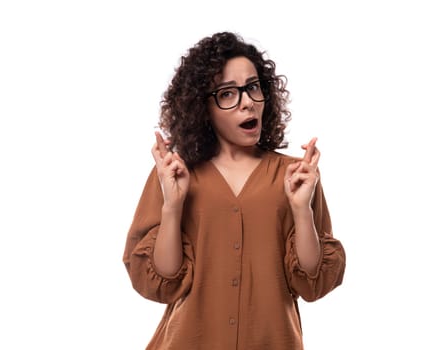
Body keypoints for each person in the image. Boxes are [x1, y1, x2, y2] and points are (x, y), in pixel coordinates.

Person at [123, 31, 346, 350]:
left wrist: (301, 210)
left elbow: (313, 282)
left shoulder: (296, 175)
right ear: (203, 107)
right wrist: (173, 206)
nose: (246, 103)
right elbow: (163, 282)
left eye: (252, 88)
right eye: (228, 94)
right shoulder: (175, 174)